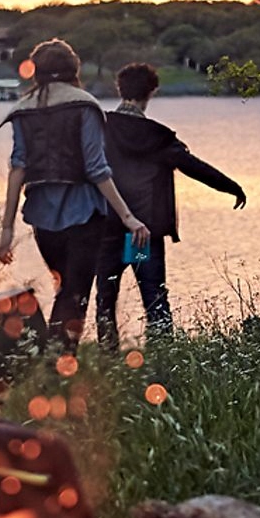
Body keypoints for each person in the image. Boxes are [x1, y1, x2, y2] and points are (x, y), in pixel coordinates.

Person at [0, 39, 148, 352]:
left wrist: (7, 229)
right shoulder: (84, 105)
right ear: (73, 69)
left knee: (65, 289)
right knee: (74, 294)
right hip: (84, 214)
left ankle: (52, 360)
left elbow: (18, 168)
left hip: (41, 217)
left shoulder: (23, 109)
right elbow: (96, 168)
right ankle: (56, 364)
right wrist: (129, 217)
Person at [93, 62, 245, 349]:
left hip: (109, 228)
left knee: (105, 298)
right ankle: (164, 357)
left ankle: (107, 359)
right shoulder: (157, 137)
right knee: (153, 297)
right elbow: (192, 166)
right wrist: (231, 187)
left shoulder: (100, 129)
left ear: (120, 89)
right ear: (151, 91)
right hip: (142, 235)